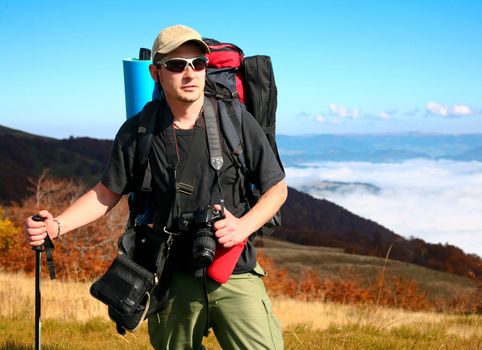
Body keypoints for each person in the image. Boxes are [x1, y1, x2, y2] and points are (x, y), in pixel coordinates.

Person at [25, 24, 287, 350]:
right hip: (170, 276)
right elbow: (107, 192)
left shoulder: (236, 120)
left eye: (198, 64)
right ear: (156, 72)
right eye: (177, 65)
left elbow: (276, 188)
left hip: (233, 266)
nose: (190, 73)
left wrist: (242, 227)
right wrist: (57, 225)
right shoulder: (139, 131)